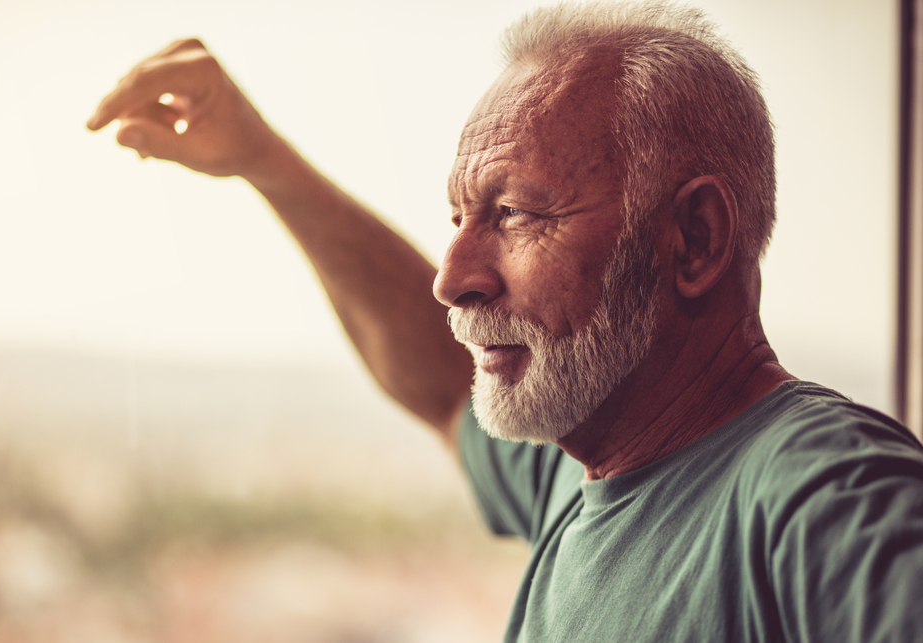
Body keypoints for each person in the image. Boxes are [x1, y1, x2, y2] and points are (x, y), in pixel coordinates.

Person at [88, 2, 923, 641]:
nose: (451, 280)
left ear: (694, 239)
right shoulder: (582, 457)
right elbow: (437, 373)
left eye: (517, 213)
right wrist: (262, 160)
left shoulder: (827, 497)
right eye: (458, 217)